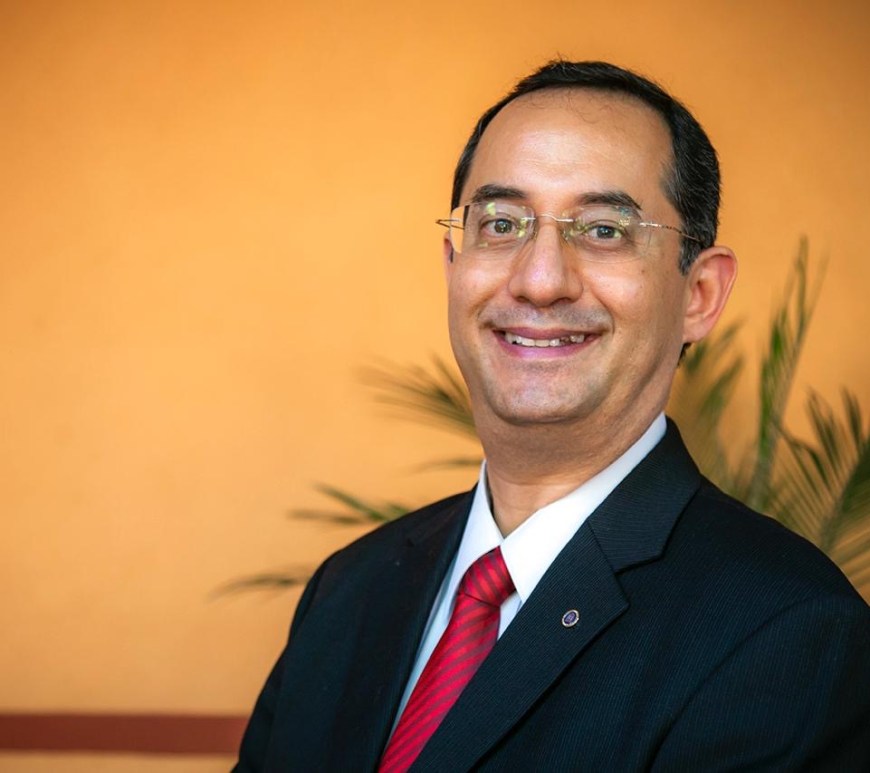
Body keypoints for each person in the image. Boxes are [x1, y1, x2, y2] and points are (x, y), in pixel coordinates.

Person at [234, 61, 870, 772]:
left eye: (603, 230)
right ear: (453, 267)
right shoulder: (351, 588)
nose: (539, 281)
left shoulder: (789, 634)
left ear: (699, 294)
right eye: (502, 224)